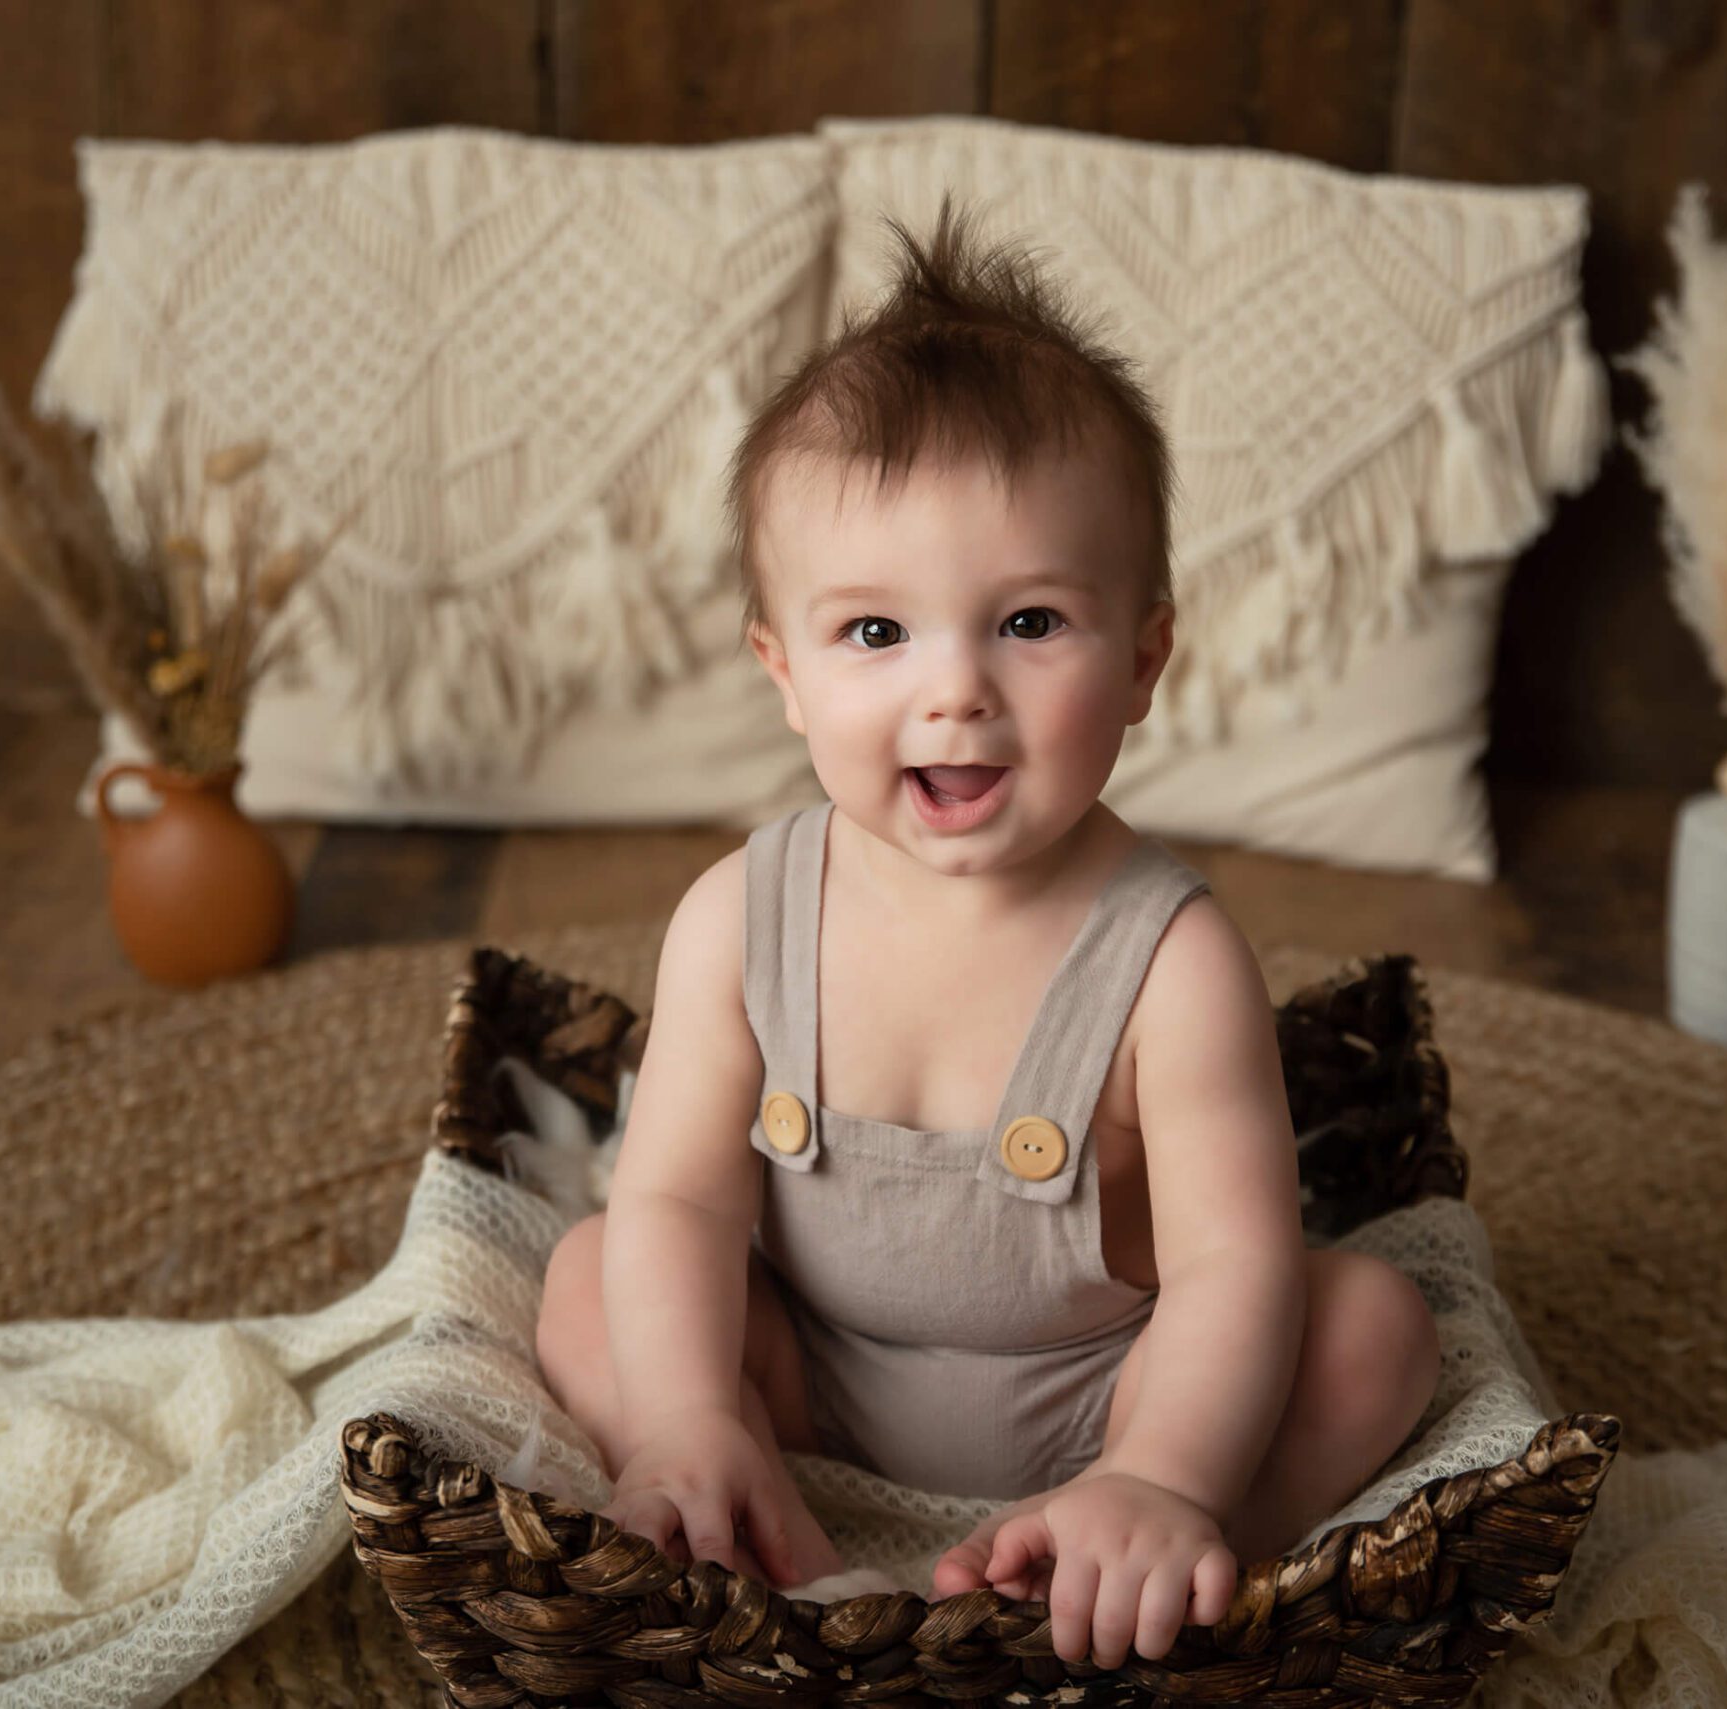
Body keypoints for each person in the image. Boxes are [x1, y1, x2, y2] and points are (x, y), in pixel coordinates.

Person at [533, 196, 1440, 1673]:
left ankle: (1146, 1562)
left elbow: (1228, 1269)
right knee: (595, 1272)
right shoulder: (738, 922)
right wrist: (698, 1404)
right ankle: (748, 1505)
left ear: (1146, 655)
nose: (953, 692)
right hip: (815, 1380)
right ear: (784, 672)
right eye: (876, 634)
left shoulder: (1173, 960)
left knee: (1373, 1328)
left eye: (1028, 622)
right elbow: (691, 1206)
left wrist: (1165, 1468)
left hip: (1107, 1395)